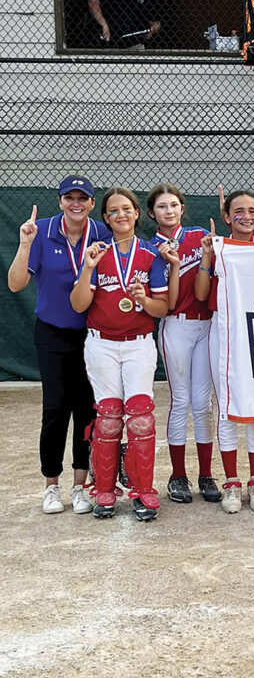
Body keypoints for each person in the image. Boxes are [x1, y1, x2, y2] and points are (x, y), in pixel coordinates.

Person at [7, 176, 111, 515]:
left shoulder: (101, 233)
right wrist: (24, 244)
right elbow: (15, 284)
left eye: (83, 197)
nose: (76, 203)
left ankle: (80, 486)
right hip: (51, 332)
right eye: (70, 197)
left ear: (92, 204)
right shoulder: (41, 232)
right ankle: (51, 486)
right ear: (60, 201)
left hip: (92, 334)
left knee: (85, 409)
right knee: (55, 409)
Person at [70, 187, 171, 522]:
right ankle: (104, 490)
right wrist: (87, 269)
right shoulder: (97, 253)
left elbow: (162, 308)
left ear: (137, 213)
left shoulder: (150, 254)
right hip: (101, 343)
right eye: (113, 211)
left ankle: (143, 491)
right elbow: (79, 304)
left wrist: (143, 299)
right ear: (105, 218)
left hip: (138, 342)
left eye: (126, 209)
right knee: (109, 417)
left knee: (140, 416)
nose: (121, 215)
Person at [195, 191, 254, 514]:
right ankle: (231, 481)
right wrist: (207, 257)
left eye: (252, 210)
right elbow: (201, 295)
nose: (247, 216)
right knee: (225, 403)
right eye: (238, 211)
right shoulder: (219, 248)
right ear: (226, 217)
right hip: (223, 330)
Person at [146, 184, 221, 505]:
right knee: (180, 401)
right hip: (176, 325)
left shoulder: (198, 235)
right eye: (162, 206)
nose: (169, 211)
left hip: (207, 324)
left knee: (203, 403)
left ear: (182, 208)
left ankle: (206, 473)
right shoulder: (151, 248)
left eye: (174, 205)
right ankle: (178, 475)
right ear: (151, 213)